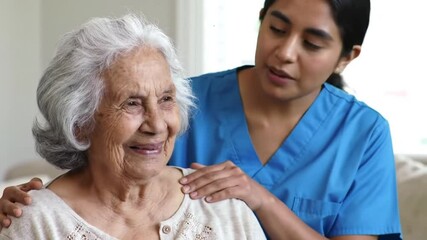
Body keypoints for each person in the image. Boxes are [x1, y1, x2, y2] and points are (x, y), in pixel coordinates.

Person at [0, 0, 402, 239]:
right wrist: (24, 205)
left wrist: (258, 199)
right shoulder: (187, 98)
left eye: (313, 43)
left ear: (347, 56)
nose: (285, 53)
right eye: (276, 28)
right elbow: (98, 166)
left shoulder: (364, 134)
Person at [0, 14, 266, 239]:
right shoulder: (34, 224)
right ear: (80, 122)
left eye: (166, 99)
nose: (157, 124)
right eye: (132, 103)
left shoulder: (225, 210)